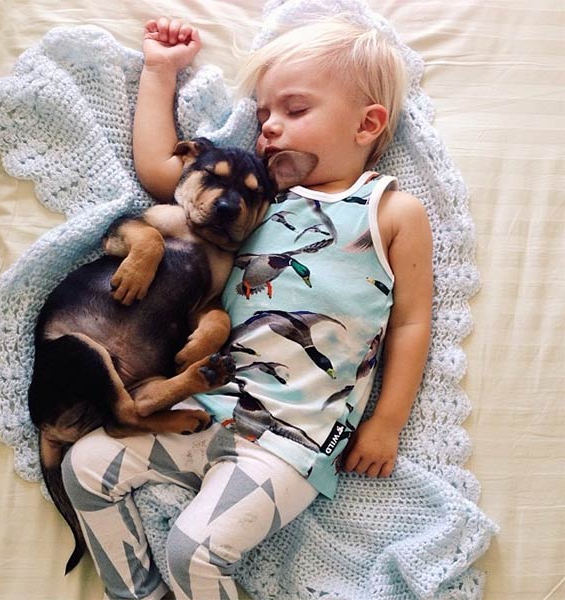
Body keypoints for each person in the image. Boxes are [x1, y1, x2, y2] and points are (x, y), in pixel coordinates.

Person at [61, 15, 433, 600]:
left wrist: (386, 423)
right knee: (82, 466)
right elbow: (163, 169)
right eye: (263, 116)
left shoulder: (388, 211)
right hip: (200, 405)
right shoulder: (256, 196)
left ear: (368, 123)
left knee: (194, 551)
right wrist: (159, 72)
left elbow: (412, 321)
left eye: (294, 110)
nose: (269, 128)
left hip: (290, 439)